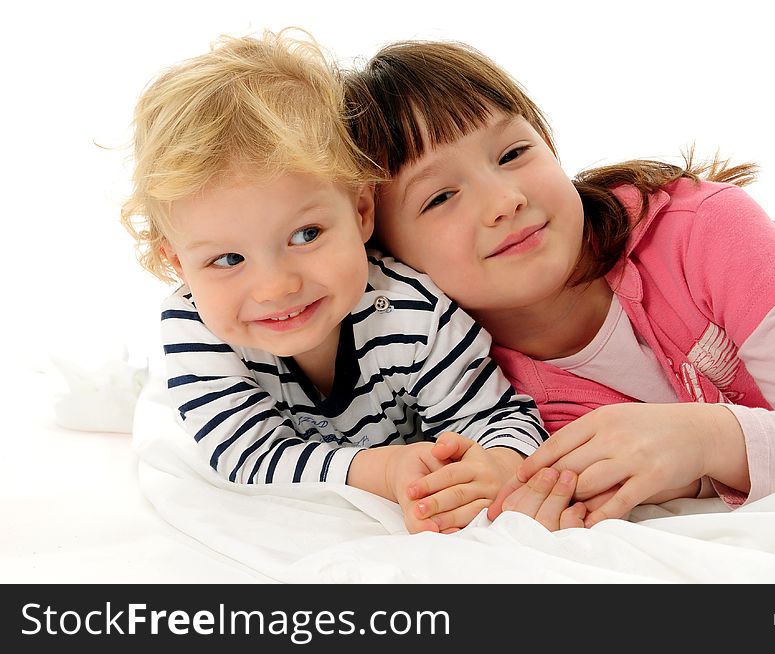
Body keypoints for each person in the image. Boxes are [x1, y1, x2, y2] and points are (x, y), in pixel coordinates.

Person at [343, 39, 775, 532]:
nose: (504, 200)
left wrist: (704, 437)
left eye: (512, 154)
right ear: (386, 258)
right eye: (440, 197)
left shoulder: (709, 232)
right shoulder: (474, 392)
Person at [119, 29, 549, 535]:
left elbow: (501, 415)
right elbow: (244, 451)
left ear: (362, 212)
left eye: (306, 234)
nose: (276, 286)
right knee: (151, 400)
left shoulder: (413, 311)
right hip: (231, 405)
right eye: (227, 259)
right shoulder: (197, 327)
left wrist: (493, 462)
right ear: (178, 265)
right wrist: (380, 471)